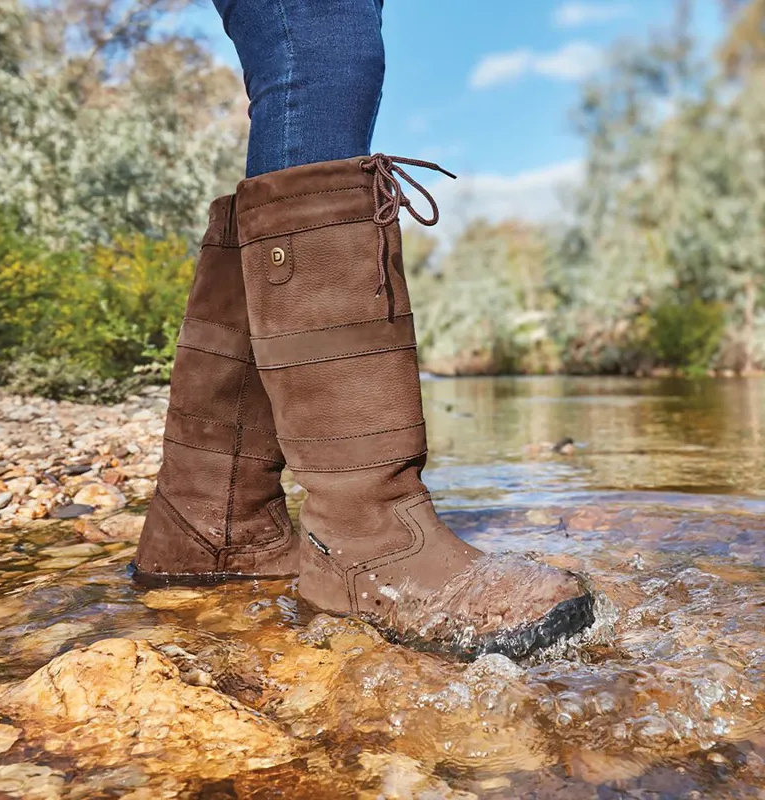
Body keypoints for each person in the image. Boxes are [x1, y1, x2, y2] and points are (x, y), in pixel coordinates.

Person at [132, 0, 595, 660]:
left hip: (214, 526)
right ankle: (370, 545)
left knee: (307, 61)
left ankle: (212, 522)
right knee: (323, 39)